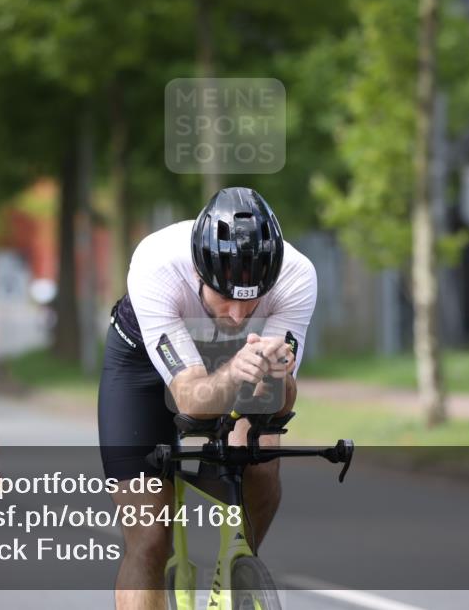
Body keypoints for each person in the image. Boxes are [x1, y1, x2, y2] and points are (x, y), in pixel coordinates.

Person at [98, 187, 317, 609]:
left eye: (250, 300)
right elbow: (192, 399)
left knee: (261, 466)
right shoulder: (156, 264)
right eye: (225, 296)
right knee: (149, 536)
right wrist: (236, 370)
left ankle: (233, 570)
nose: (238, 314)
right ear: (198, 273)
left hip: (235, 358)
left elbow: (279, 407)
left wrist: (278, 379)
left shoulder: (296, 276)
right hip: (143, 358)